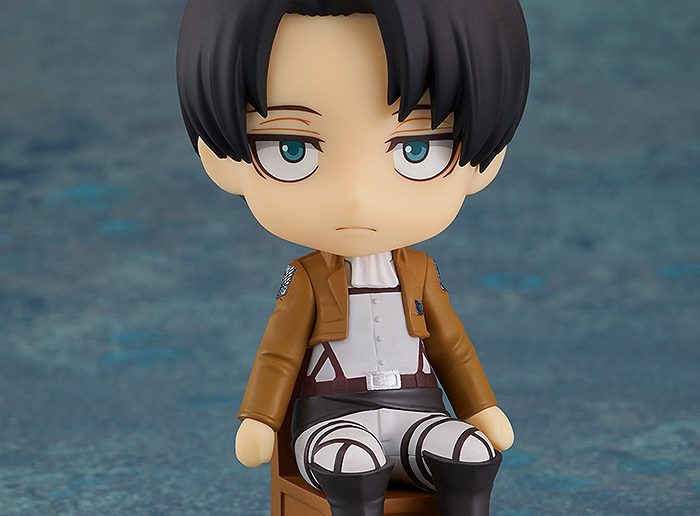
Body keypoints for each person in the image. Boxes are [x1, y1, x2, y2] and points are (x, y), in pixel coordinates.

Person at [176, 1, 530, 514]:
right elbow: (279, 354)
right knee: (352, 463)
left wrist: (481, 408)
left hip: (418, 412)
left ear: (485, 160)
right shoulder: (306, 279)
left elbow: (453, 348)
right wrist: (260, 419)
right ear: (220, 159)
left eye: (417, 148)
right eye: (291, 148)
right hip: (332, 418)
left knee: (469, 453)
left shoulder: (421, 273)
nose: (357, 197)